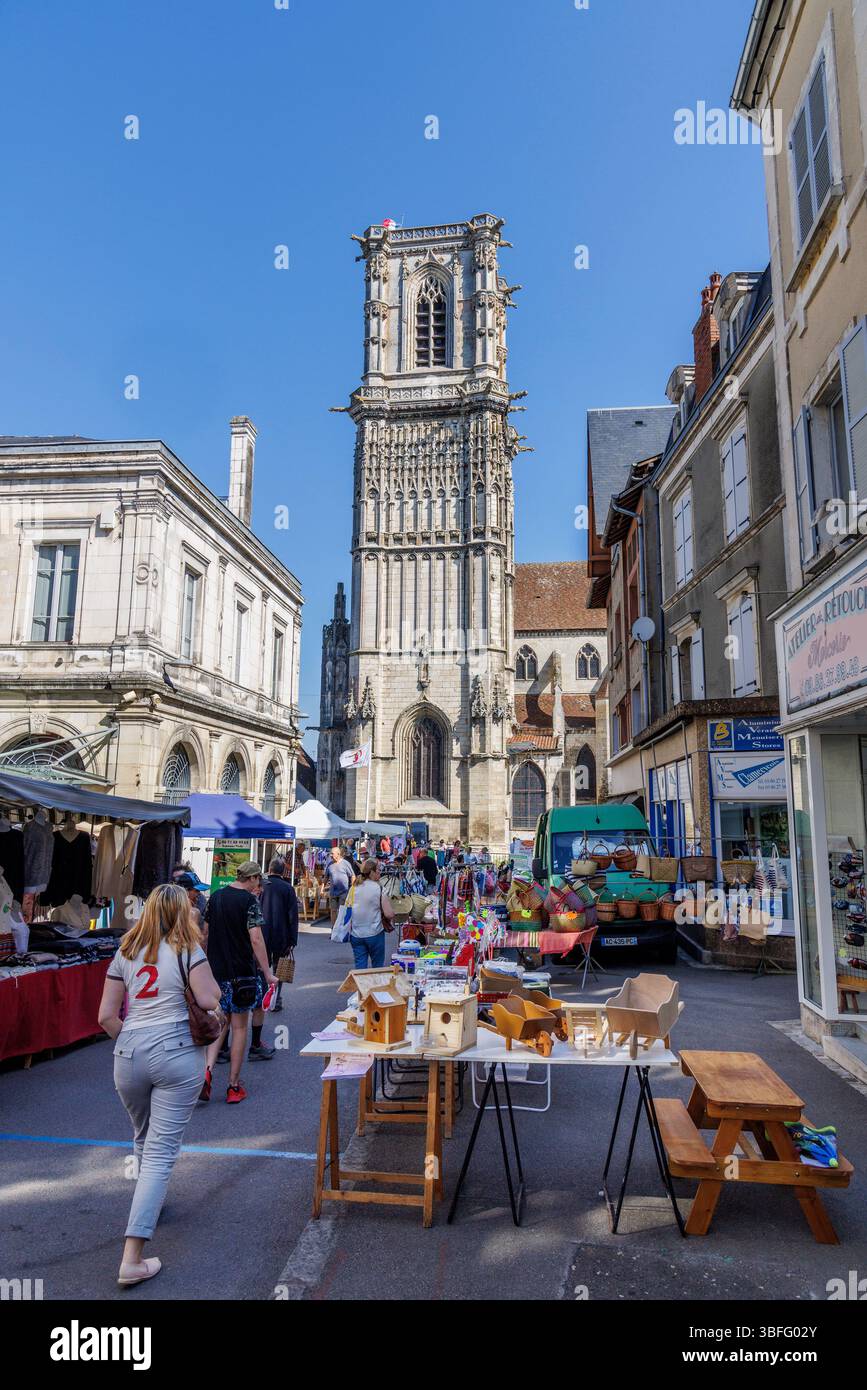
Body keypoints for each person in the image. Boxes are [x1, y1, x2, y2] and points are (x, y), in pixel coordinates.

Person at [98, 883, 222, 1288]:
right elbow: (209, 999)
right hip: (175, 1049)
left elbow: (105, 1017)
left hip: (129, 1051)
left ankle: (147, 1203)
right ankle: (132, 1256)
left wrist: (134, 1043)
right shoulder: (189, 950)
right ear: (179, 912)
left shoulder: (126, 951)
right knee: (161, 1153)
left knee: (143, 1135)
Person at [202, 861, 277, 1104]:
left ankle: (207, 1072)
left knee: (219, 1024)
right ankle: (233, 1086)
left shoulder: (216, 897)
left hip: (216, 972)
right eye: (258, 881)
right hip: (242, 974)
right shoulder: (249, 902)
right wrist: (267, 972)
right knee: (239, 1028)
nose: (259, 886)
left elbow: (205, 933)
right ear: (253, 878)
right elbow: (256, 939)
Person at [260, 854, 298, 1012]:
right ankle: (276, 999)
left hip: (261, 933)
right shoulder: (288, 888)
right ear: (283, 872)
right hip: (281, 935)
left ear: (269, 869)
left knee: (262, 967)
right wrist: (292, 939)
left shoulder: (261, 886)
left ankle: (262, 997)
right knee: (278, 968)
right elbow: (292, 916)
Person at [348, 858, 395, 969]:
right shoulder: (379, 888)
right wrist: (394, 913)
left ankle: (362, 986)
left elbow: (348, 908)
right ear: (372, 872)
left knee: (360, 968)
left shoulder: (354, 887)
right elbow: (389, 914)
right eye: (378, 870)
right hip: (375, 933)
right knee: (377, 968)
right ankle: (375, 986)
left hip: (356, 933)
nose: (380, 872)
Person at [324, 845, 354, 925]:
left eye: (332, 853)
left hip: (343, 892)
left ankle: (341, 929)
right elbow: (326, 877)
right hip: (333, 892)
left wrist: (353, 888)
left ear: (338, 854)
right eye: (330, 854)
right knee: (333, 910)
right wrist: (322, 887)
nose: (330, 855)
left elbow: (352, 875)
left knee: (342, 911)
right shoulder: (330, 864)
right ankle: (334, 929)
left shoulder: (345, 863)